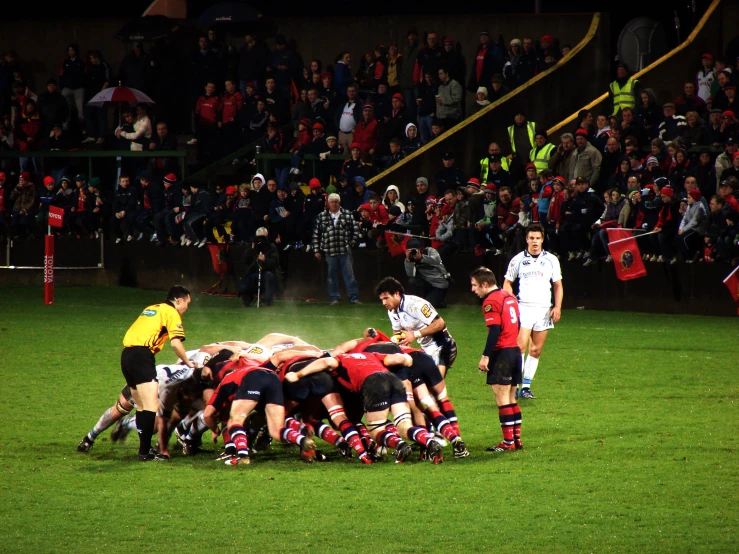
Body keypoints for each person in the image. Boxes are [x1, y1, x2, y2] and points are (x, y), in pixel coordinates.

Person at [118, 285, 195, 460]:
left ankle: (144, 450)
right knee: (151, 406)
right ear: (179, 300)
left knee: (141, 406)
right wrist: (189, 362)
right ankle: (144, 453)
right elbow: (176, 344)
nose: (186, 308)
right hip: (142, 356)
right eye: (187, 304)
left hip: (127, 356)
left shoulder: (151, 308)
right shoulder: (171, 312)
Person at [503, 223, 563, 399]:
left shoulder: (552, 260)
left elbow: (558, 285)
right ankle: (513, 384)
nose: (535, 241)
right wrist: (510, 300)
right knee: (520, 346)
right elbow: (507, 282)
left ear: (542, 239)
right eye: (531, 238)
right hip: (524, 307)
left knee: (536, 350)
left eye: (538, 238)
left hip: (544, 309)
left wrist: (557, 306)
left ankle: (526, 387)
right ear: (526, 239)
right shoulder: (517, 260)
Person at [470, 266, 523, 451]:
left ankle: (508, 442)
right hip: (515, 351)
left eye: (475, 285)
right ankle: (516, 440)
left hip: (502, 354)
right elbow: (519, 323)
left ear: (485, 284)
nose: (473, 289)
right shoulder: (510, 297)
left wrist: (486, 356)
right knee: (511, 398)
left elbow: (494, 330)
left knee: (502, 399)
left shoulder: (490, 302)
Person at [375, 276, 456, 377]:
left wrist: (415, 334)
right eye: (382, 299)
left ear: (396, 293)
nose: (384, 303)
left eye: (386, 298)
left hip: (443, 346)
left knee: (433, 385)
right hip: (426, 349)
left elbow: (440, 323)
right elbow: (397, 333)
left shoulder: (416, 304)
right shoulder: (392, 311)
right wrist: (400, 347)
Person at [312, 193, 360, 305]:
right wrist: (316, 250)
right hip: (329, 251)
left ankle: (354, 298)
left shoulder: (347, 214)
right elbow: (315, 234)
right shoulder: (321, 216)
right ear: (328, 203)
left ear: (339, 203)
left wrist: (351, 243)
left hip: (345, 251)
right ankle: (334, 298)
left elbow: (356, 231)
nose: (334, 204)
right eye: (332, 202)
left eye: (336, 202)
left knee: (349, 275)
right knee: (331, 276)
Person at [403, 237, 450, 308]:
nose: (413, 252)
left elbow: (437, 261)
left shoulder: (430, 251)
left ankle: (439, 301)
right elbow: (411, 275)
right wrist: (409, 261)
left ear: (419, 249)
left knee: (426, 306)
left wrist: (421, 258)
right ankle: (413, 302)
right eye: (410, 250)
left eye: (414, 250)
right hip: (426, 284)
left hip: (439, 285)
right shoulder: (409, 259)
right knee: (412, 281)